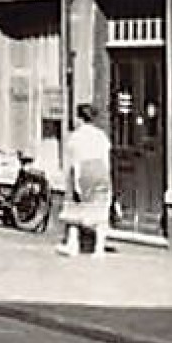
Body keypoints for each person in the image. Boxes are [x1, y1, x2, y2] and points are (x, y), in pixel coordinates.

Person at [60, 103, 114, 258]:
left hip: (84, 171)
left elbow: (76, 161)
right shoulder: (101, 136)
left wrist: (76, 183)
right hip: (100, 171)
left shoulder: (76, 137)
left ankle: (73, 244)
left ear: (79, 119)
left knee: (74, 210)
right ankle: (99, 249)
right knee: (100, 211)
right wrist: (107, 179)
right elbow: (106, 159)